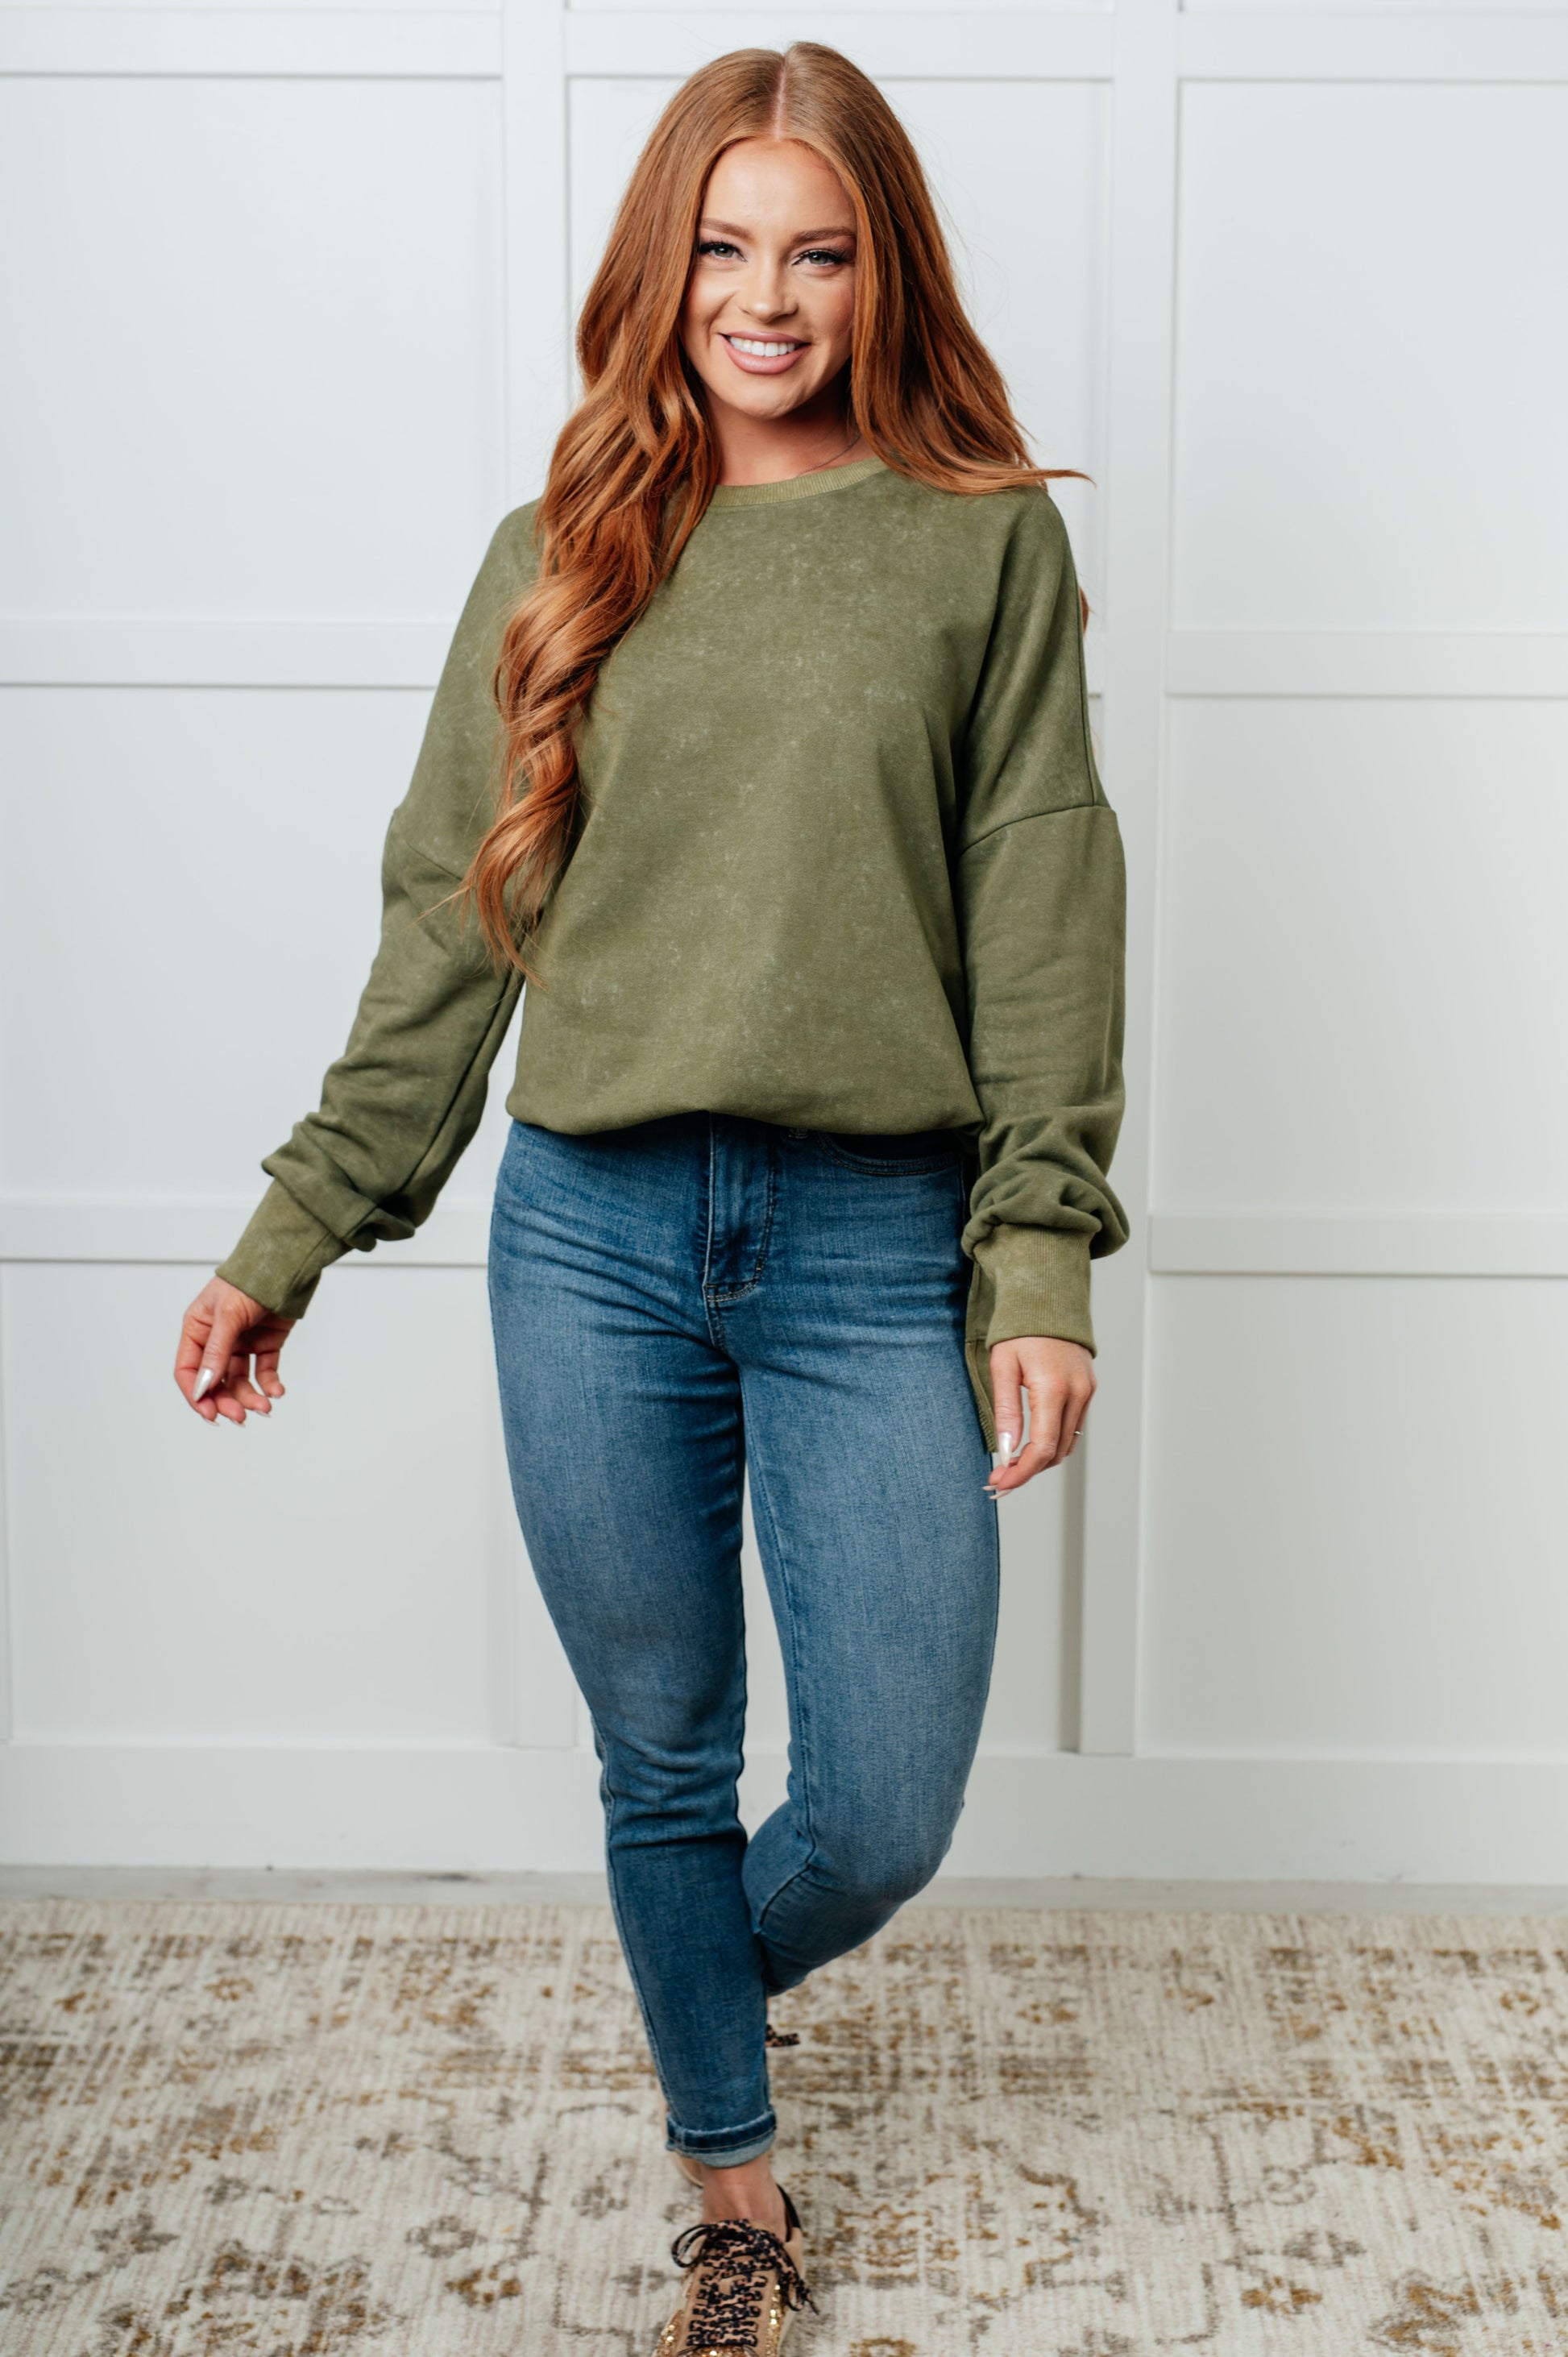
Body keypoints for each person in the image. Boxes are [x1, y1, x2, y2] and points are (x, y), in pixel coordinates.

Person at [173, 41, 1128, 2355]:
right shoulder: (559, 554)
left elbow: (1042, 909)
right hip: (590, 1236)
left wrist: (1034, 1254)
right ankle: (734, 2195)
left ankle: (691, 1983)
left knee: (882, 1804)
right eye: (720, 247)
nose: (763, 299)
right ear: (658, 263)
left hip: (874, 1238)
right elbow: (449, 933)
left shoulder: (979, 542)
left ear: (884, 270)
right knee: (668, 1761)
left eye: (817, 252)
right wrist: (296, 1231)